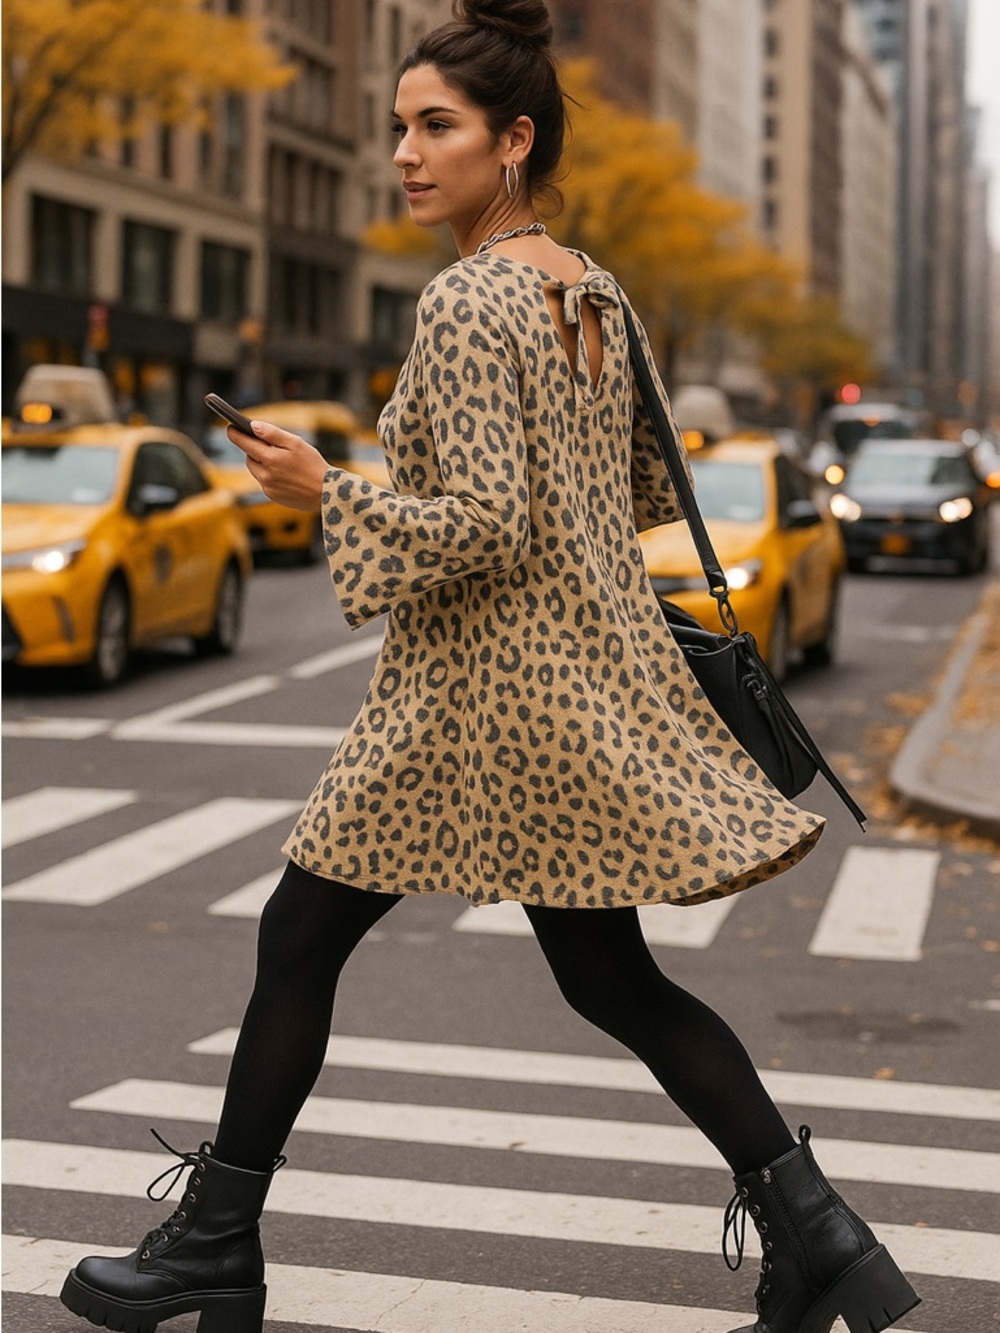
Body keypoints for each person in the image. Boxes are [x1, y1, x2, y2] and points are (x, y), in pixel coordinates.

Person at [59, 3, 920, 1332]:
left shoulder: (467, 298)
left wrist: (323, 480)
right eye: (399, 127)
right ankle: (823, 1235)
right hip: (581, 685)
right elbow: (633, 489)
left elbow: (481, 525)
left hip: (476, 700)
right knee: (608, 979)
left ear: (513, 142)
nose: (406, 153)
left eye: (436, 128)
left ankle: (216, 1241)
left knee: (299, 935)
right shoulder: (594, 289)